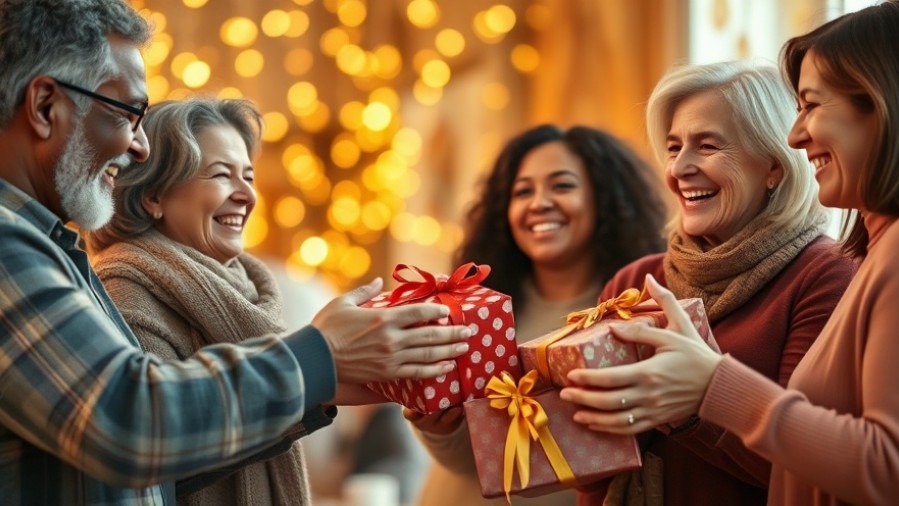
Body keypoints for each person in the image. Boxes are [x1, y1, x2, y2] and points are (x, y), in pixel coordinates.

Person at [0, 1, 471, 504]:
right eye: (127, 113)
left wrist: (322, 387)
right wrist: (320, 357)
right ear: (46, 106)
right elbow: (128, 418)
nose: (138, 147)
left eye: (247, 175)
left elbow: (153, 472)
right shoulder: (12, 246)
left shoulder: (48, 246)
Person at [558, 59, 862, 505]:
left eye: (708, 146)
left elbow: (807, 472)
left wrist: (690, 409)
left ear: (773, 166)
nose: (680, 168)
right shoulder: (635, 280)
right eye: (673, 146)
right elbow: (587, 470)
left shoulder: (825, 274)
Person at [405, 124, 669, 505]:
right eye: (522, 191)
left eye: (562, 186)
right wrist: (439, 430)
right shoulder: (477, 310)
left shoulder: (630, 311)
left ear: (605, 199)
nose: (538, 203)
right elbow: (471, 459)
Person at [83, 97, 311, 505]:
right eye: (222, 175)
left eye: (249, 176)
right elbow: (160, 457)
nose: (247, 195)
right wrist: (320, 366)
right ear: (154, 195)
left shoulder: (251, 291)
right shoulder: (125, 294)